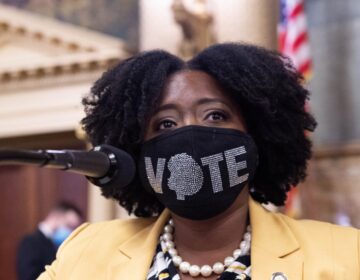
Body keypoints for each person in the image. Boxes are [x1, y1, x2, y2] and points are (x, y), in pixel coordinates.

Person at [38, 43, 360, 280]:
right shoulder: (86, 251)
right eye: (165, 124)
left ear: (258, 136)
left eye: (216, 115)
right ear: (137, 152)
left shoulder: (346, 254)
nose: (190, 133)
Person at [17, 201, 83, 280]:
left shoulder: (59, 244)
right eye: (69, 226)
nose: (71, 232)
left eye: (74, 228)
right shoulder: (30, 242)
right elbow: (28, 277)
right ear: (54, 217)